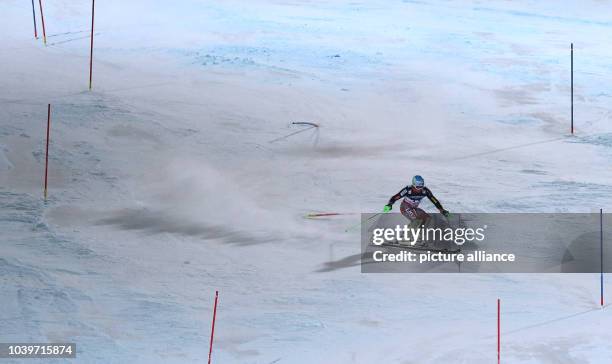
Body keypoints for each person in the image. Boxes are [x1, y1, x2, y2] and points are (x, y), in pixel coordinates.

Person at [383, 175, 449, 225]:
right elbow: (395, 197)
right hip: (405, 207)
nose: (420, 189)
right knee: (417, 219)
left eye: (421, 186)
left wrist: (441, 209)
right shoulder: (407, 190)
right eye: (418, 187)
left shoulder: (425, 191)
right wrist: (389, 204)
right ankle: (408, 237)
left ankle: (412, 234)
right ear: (413, 185)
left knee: (427, 218)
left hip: (414, 208)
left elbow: (434, 200)